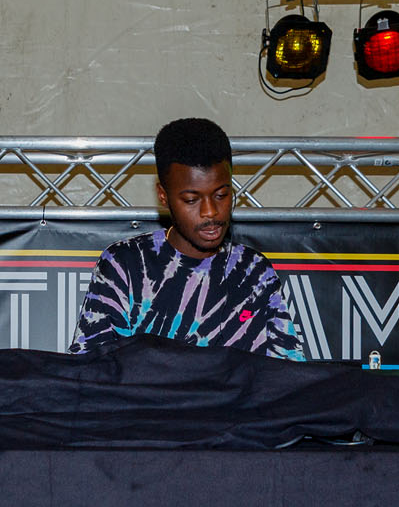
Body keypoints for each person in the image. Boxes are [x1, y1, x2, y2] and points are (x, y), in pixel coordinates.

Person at [71, 118, 304, 359]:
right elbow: (91, 368)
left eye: (221, 195)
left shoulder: (254, 270)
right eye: (192, 200)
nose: (210, 212)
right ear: (163, 196)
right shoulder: (124, 264)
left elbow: (287, 370)